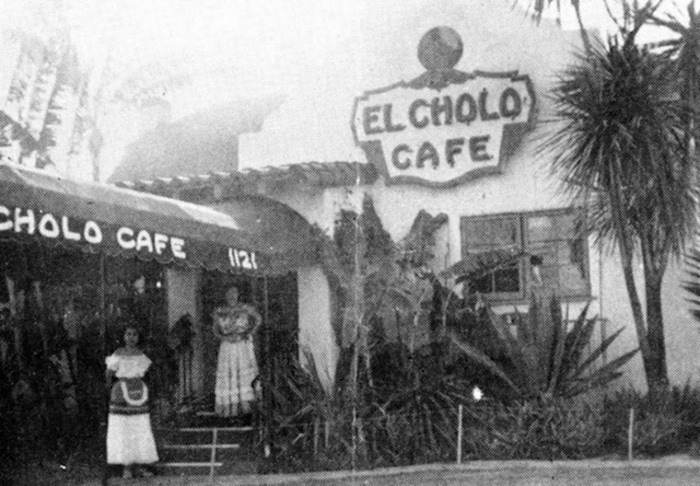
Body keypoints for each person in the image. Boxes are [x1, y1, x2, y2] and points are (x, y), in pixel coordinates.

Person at [105, 326, 158, 478]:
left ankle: (139, 466)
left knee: (139, 427)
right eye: (128, 334)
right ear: (123, 336)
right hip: (121, 392)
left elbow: (147, 373)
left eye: (134, 334)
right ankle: (126, 468)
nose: (131, 337)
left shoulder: (141, 355)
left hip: (138, 392)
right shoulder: (118, 353)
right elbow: (109, 373)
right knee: (123, 428)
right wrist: (110, 388)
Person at [213, 286, 262, 417]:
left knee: (243, 376)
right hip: (227, 347)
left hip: (242, 346)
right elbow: (215, 331)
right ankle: (230, 411)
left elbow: (258, 319)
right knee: (230, 375)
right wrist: (225, 337)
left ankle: (246, 409)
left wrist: (248, 333)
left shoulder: (245, 308)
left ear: (238, 294)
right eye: (229, 293)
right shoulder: (219, 311)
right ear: (225, 295)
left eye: (234, 293)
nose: (232, 296)